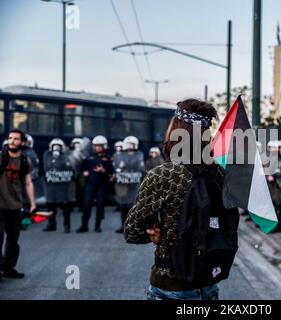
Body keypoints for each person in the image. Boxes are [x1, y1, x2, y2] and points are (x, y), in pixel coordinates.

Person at [124, 99, 235, 300]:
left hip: (171, 285)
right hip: (209, 283)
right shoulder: (218, 172)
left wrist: (158, 234)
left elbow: (132, 231)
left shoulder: (164, 174)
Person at [0, 129, 36, 280]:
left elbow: (28, 183)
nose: (12, 141)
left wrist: (33, 203)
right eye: (10, 138)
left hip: (15, 205)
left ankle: (8, 268)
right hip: (0, 204)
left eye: (16, 139)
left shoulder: (25, 161)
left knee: (13, 240)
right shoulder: (1, 157)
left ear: (22, 142)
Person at [76, 135, 113, 233]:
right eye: (95, 146)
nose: (97, 148)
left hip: (102, 185)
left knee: (100, 205)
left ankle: (98, 225)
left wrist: (103, 170)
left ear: (104, 146)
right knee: (87, 204)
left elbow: (111, 171)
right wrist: (84, 171)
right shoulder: (89, 157)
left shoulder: (108, 158)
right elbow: (81, 166)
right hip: (90, 184)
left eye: (99, 146)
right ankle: (84, 225)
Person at [42, 138, 76, 233]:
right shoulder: (46, 155)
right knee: (51, 206)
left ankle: (67, 225)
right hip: (51, 186)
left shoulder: (67, 156)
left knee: (65, 207)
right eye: (54, 146)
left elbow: (71, 169)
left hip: (63, 186)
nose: (56, 148)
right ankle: (51, 224)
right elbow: (45, 168)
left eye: (58, 146)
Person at [113, 136, 145, 233]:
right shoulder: (120, 155)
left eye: (132, 144)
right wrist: (120, 169)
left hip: (134, 184)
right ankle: (123, 226)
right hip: (123, 184)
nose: (130, 146)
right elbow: (118, 168)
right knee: (123, 206)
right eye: (129, 144)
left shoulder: (139, 154)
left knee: (133, 206)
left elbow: (140, 168)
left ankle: (133, 227)